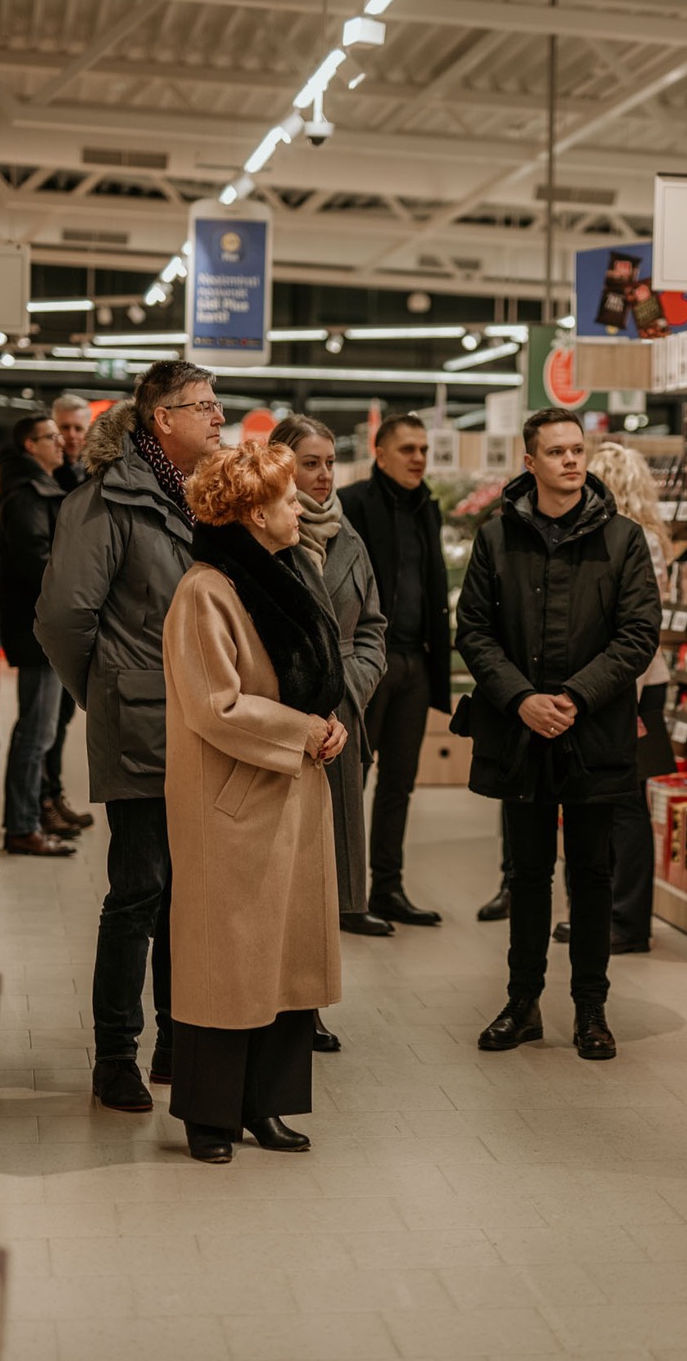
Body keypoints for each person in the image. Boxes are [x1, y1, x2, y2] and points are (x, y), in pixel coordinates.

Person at [35, 361, 222, 1114]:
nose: (217, 417)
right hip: (142, 721)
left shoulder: (205, 499)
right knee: (140, 888)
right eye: (202, 406)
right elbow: (62, 618)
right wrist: (106, 690)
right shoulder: (105, 500)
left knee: (190, 891)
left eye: (218, 404)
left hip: (205, 722)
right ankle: (116, 1054)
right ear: (160, 420)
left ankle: (180, 1039)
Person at [453, 408, 660, 1062]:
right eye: (558, 451)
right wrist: (521, 699)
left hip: (593, 730)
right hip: (522, 731)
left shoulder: (623, 539)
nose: (572, 461)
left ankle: (592, 1010)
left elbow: (638, 635)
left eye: (578, 450)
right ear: (531, 461)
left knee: (592, 873)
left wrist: (573, 695)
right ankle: (522, 1002)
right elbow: (475, 633)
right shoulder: (495, 540)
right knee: (528, 871)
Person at [164, 439, 349, 1163]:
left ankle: (267, 1104)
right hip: (232, 804)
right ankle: (210, 1116)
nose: (296, 507)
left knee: (284, 959)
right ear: (248, 512)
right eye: (281, 498)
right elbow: (215, 707)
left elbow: (309, 674)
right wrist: (303, 730)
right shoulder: (204, 591)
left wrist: (326, 723)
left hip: (291, 793)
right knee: (227, 960)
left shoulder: (285, 573)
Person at [274, 415, 388, 1051]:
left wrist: (351, 683)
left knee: (325, 878)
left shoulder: (350, 541)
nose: (321, 475)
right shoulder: (262, 535)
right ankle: (276, 998)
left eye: (328, 462)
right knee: (285, 872)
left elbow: (373, 628)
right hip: (285, 723)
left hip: (341, 724)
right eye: (309, 463)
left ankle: (309, 1003)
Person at [340, 414, 450, 929]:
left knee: (399, 783)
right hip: (369, 660)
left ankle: (387, 887)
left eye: (423, 449)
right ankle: (346, 895)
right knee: (352, 779)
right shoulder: (355, 503)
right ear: (380, 453)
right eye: (407, 449)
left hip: (414, 660)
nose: (418, 459)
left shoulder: (428, 506)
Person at [587, 443, 678, 953]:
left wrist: (623, 699)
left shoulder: (634, 541)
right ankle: (608, 914)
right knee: (610, 804)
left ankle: (627, 921)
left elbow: (640, 631)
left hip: (633, 687)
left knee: (624, 805)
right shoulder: (639, 536)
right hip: (631, 683)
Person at [0, 416, 74, 859]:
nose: (60, 444)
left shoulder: (37, 489)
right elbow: (38, 564)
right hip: (36, 631)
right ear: (30, 445)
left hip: (38, 629)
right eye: (51, 438)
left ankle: (27, 821)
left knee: (39, 730)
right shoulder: (27, 497)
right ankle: (23, 826)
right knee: (35, 732)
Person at [41, 393, 95, 837]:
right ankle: (44, 800)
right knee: (43, 722)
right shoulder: (45, 481)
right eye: (65, 429)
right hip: (51, 615)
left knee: (58, 718)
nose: (73, 436)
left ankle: (53, 794)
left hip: (77, 610)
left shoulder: (89, 477)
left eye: (80, 428)